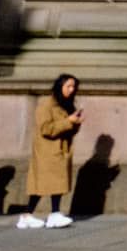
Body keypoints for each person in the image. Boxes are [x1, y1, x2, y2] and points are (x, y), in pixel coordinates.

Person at [20, 74, 83, 229]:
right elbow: (46, 129)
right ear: (59, 86)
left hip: (60, 149)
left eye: (73, 87)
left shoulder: (65, 105)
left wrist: (75, 123)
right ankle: (34, 215)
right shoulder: (46, 105)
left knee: (55, 184)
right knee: (42, 185)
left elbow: (67, 129)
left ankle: (47, 213)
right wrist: (68, 122)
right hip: (47, 150)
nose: (71, 90)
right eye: (68, 86)